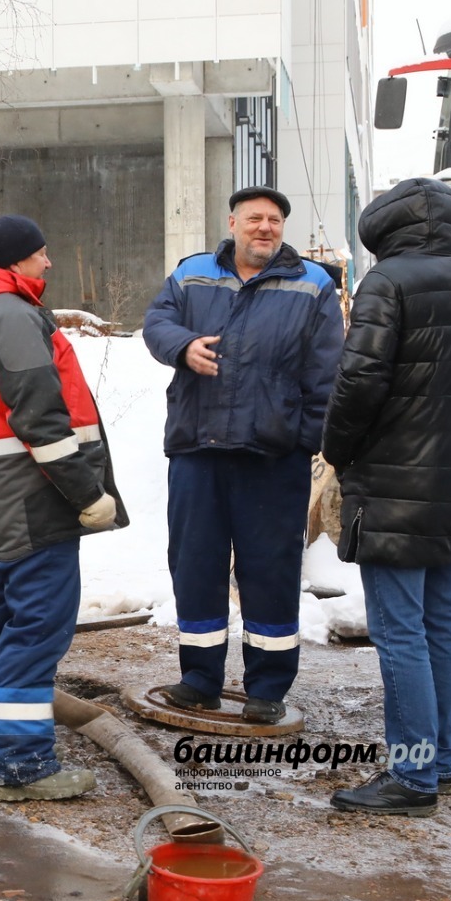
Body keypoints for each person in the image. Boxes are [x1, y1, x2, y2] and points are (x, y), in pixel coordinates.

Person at [322, 178, 451, 816]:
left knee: (400, 632)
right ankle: (442, 761)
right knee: (440, 626)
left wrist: (337, 451)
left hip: (395, 485)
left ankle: (413, 775)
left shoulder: (389, 282)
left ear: (385, 229)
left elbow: (359, 380)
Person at [0, 214, 127, 801]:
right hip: (32, 495)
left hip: (2, 497)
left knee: (0, 619)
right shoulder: (11, 314)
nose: (48, 264)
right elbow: (40, 419)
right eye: (41, 254)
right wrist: (87, 493)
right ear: (16, 260)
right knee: (38, 627)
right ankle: (22, 765)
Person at [141, 185, 343, 725]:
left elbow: (326, 375)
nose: (265, 228)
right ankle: (199, 680)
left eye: (274, 220)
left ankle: (267, 688)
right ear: (232, 223)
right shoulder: (191, 275)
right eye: (255, 218)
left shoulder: (313, 285)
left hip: (271, 458)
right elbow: (156, 324)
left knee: (269, 570)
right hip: (197, 448)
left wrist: (302, 440)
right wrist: (182, 346)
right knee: (196, 566)